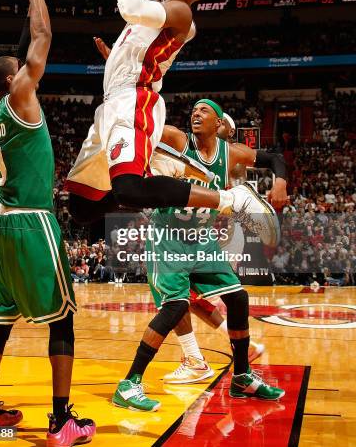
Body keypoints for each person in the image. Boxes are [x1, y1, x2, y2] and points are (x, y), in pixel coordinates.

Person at [66, 0, 278, 252]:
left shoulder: (180, 11)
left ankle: (230, 200)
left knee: (130, 188)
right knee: (82, 207)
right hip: (113, 102)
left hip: (135, 99)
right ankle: (158, 169)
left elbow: (129, 3)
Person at [0, 0, 95, 447]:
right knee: (61, 318)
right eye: (22, 72)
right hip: (30, 222)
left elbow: (24, 45)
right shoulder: (20, 93)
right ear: (12, 80)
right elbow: (40, 38)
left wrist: (25, 3)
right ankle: (62, 420)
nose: (30, 74)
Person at [112, 99, 286, 410]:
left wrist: (281, 182)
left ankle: (242, 376)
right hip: (167, 236)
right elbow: (147, 125)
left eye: (204, 110)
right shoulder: (179, 139)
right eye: (194, 109)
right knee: (176, 306)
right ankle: (129, 384)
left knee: (238, 297)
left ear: (219, 124)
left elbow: (274, 158)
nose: (196, 113)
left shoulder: (231, 153)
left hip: (201, 238)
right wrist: (131, 92)